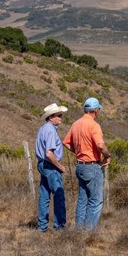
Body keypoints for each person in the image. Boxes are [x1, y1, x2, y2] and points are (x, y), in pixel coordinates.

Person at [63, 97, 111, 230]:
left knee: (82, 200)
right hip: (92, 166)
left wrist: (79, 152)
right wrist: (108, 155)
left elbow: (66, 142)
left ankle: (79, 231)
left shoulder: (75, 124)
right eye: (98, 109)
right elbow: (100, 145)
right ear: (95, 110)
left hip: (80, 166)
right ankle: (87, 232)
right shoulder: (94, 125)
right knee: (95, 201)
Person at [35, 103, 68, 232]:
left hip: (42, 165)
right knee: (58, 195)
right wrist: (60, 167)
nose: (61, 118)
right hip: (50, 166)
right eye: (59, 115)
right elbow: (49, 153)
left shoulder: (43, 129)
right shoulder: (49, 130)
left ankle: (42, 227)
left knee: (44, 196)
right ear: (50, 117)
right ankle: (59, 227)